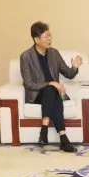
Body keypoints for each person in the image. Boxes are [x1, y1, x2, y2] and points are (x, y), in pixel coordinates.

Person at [19, 22, 82, 153]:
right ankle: (63, 139)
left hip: (54, 94)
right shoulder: (26, 56)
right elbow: (29, 84)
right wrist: (52, 83)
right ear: (36, 40)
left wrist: (74, 67)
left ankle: (46, 130)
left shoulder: (54, 53)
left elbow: (68, 74)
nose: (50, 39)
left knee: (53, 92)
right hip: (37, 95)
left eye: (50, 36)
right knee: (51, 89)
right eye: (46, 36)